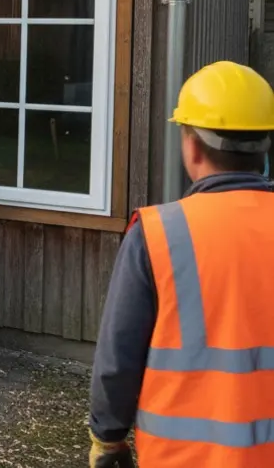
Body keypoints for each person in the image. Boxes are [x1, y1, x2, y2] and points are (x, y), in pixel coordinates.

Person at [89, 60, 274, 467]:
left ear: (190, 144)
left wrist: (109, 438)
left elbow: (118, 357)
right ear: (264, 144)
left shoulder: (158, 233)